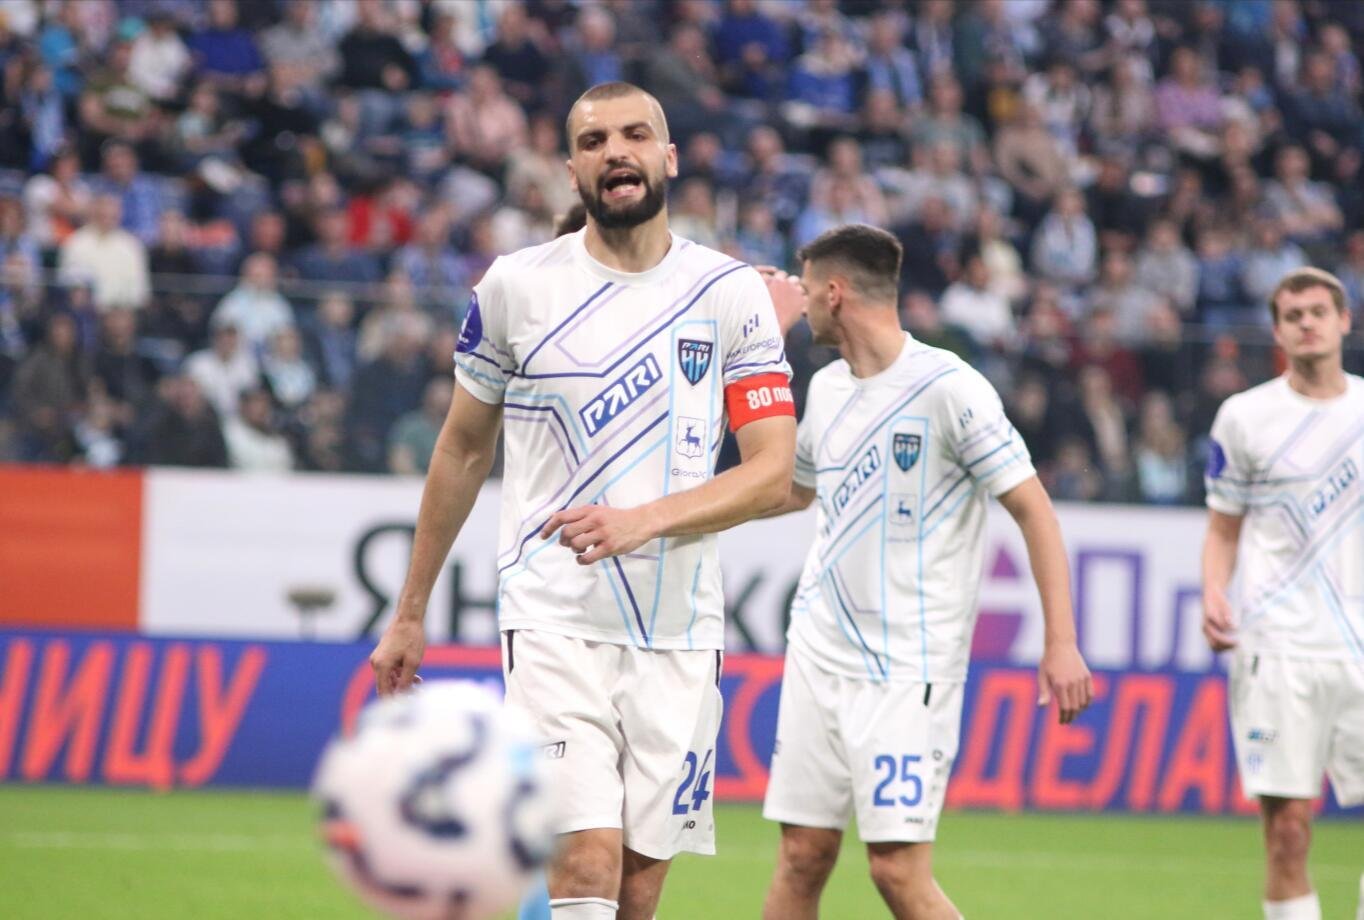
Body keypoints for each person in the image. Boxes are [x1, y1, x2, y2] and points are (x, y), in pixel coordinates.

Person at [368, 82, 797, 920]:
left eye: (634, 135)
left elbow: (771, 472)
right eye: (594, 141)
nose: (615, 152)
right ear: (571, 170)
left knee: (637, 890)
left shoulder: (729, 292)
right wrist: (410, 611)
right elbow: (462, 449)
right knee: (585, 865)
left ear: (669, 157)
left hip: (680, 632)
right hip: (553, 620)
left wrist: (641, 521)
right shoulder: (516, 286)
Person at [756, 225, 1093, 920]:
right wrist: (679, 517)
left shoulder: (950, 388)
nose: (801, 300)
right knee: (800, 856)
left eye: (807, 287)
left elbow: (1034, 510)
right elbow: (792, 490)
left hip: (908, 668)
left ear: (834, 293)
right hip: (818, 655)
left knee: (896, 872)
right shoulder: (827, 387)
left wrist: (1060, 643)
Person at [1201, 267, 1364, 920]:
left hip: (1361, 647)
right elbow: (1223, 527)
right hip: (1279, 647)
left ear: (1344, 321)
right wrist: (1213, 591)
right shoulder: (1245, 417)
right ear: (1277, 331)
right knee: (1288, 831)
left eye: (1318, 311)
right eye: (1293, 315)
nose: (1307, 323)